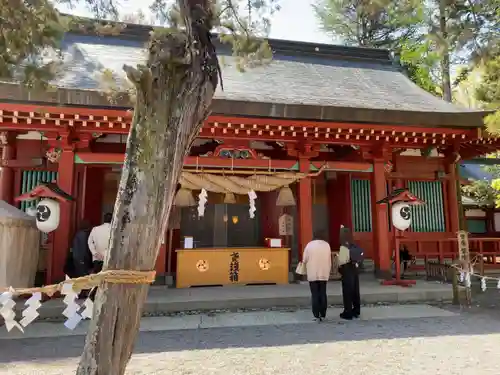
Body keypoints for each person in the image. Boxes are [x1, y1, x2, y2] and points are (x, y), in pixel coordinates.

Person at [302, 238, 332, 322]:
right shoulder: (326, 245)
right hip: (323, 272)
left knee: (315, 294)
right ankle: (323, 314)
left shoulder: (309, 245)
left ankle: (316, 315)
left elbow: (305, 259)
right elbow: (329, 259)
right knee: (323, 293)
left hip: (313, 273)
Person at [337, 228, 361, 320]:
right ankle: (356, 310)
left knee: (347, 291)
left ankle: (348, 312)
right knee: (355, 290)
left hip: (347, 269)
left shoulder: (344, 246)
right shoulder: (354, 244)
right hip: (355, 269)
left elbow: (342, 261)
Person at [87, 213, 112, 300]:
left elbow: (90, 242)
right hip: (109, 258)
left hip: (97, 258)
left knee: (98, 278)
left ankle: (93, 295)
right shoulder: (114, 229)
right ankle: (105, 297)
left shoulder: (95, 229)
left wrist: (95, 253)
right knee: (109, 279)